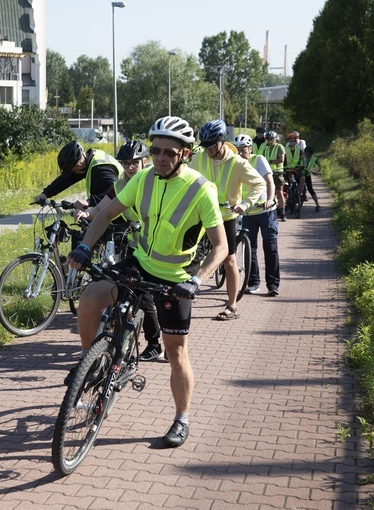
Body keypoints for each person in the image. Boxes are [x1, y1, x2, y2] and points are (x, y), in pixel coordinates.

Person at [67, 116, 228, 447]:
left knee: (176, 352)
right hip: (140, 264)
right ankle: (91, 364)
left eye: (169, 153)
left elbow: (222, 246)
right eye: (155, 150)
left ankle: (181, 419)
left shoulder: (201, 190)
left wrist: (196, 281)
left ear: (185, 154)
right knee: (89, 300)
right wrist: (85, 245)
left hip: (177, 278)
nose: (160, 158)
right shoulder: (143, 179)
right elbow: (107, 212)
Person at [74, 140, 163, 361]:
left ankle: (155, 344)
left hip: (153, 247)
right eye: (125, 163)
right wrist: (87, 214)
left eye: (134, 163)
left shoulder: (156, 182)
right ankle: (110, 341)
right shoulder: (122, 183)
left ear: (145, 161)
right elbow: (103, 207)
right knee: (116, 285)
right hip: (130, 242)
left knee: (145, 298)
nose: (130, 167)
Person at [191, 119, 265, 321]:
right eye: (204, 146)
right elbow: (186, 175)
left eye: (211, 146)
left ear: (222, 141)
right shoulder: (200, 157)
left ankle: (231, 306)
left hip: (225, 217)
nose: (207, 150)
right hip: (201, 214)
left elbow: (259, 183)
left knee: (229, 260)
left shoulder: (238, 163)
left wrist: (245, 204)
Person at [232, 134, 281, 297]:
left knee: (270, 247)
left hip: (266, 211)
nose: (240, 153)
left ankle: (273, 284)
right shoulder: (235, 164)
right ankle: (253, 283)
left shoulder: (258, 160)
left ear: (250, 149)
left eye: (243, 150)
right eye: (237, 150)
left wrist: (269, 199)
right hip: (248, 213)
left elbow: (270, 182)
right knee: (249, 249)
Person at [33, 140, 121, 211]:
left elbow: (115, 193)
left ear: (78, 165)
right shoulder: (90, 160)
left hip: (122, 215)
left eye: (71, 170)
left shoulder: (100, 169)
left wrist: (89, 202)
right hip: (111, 210)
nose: (72, 173)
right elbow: (66, 179)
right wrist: (45, 194)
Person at [263, 131, 287, 221]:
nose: (270, 142)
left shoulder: (279, 147)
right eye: (268, 140)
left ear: (275, 139)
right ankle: (269, 213)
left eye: (272, 140)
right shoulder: (266, 149)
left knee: (279, 193)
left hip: (277, 173)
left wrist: (270, 162)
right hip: (268, 173)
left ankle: (283, 213)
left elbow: (281, 159)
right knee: (268, 194)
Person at [301, 145, 322, 212]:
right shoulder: (301, 157)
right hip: (300, 174)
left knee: (311, 190)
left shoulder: (313, 159)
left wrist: (318, 171)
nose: (305, 154)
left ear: (310, 153)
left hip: (307, 175)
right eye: (305, 152)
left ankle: (317, 205)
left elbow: (319, 165)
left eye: (307, 153)